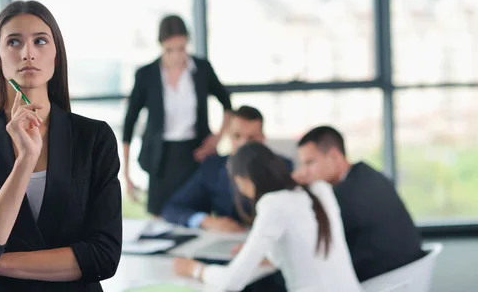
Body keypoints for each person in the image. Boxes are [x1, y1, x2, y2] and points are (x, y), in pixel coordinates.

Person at [0, 0, 122, 291]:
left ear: (56, 56)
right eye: (13, 42)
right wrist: (25, 160)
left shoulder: (94, 138)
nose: (28, 53)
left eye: (40, 41)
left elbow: (103, 256)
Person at [174, 142, 362, 292]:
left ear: (243, 181)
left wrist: (196, 270)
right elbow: (306, 250)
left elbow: (232, 281)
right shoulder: (321, 189)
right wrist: (261, 254)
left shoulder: (273, 204)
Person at [122, 15, 232, 215]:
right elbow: (130, 122)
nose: (176, 56)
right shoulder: (146, 75)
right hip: (160, 158)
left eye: (181, 48)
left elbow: (227, 104)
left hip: (196, 153)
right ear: (161, 46)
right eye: (169, 50)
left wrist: (216, 139)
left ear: (187, 43)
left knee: (196, 214)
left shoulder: (201, 69)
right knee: (160, 215)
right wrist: (127, 174)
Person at [295, 125, 424, 282]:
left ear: (334, 156)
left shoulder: (345, 195)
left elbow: (308, 236)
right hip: (407, 276)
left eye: (309, 163)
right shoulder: (368, 175)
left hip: (380, 281)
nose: (304, 172)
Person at [161, 105, 294, 232]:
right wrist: (207, 221)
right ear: (229, 136)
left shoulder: (283, 166)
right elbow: (172, 208)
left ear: (263, 138)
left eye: (251, 138)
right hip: (229, 237)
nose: (243, 144)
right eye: (237, 136)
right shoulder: (212, 168)